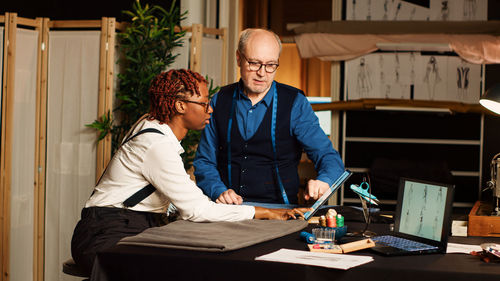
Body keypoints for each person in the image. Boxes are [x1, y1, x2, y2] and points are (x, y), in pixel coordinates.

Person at [71, 69, 309, 275]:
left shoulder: (155, 126)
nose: (211, 110)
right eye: (204, 104)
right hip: (106, 234)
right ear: (180, 105)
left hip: (132, 226)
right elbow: (197, 210)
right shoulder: (157, 145)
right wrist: (265, 213)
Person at [193, 28, 345, 205]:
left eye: (271, 65)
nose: (262, 73)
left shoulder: (295, 103)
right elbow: (204, 161)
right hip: (228, 210)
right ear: (238, 58)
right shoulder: (220, 99)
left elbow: (328, 156)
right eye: (254, 63)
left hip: (279, 212)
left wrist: (324, 182)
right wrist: (218, 191)